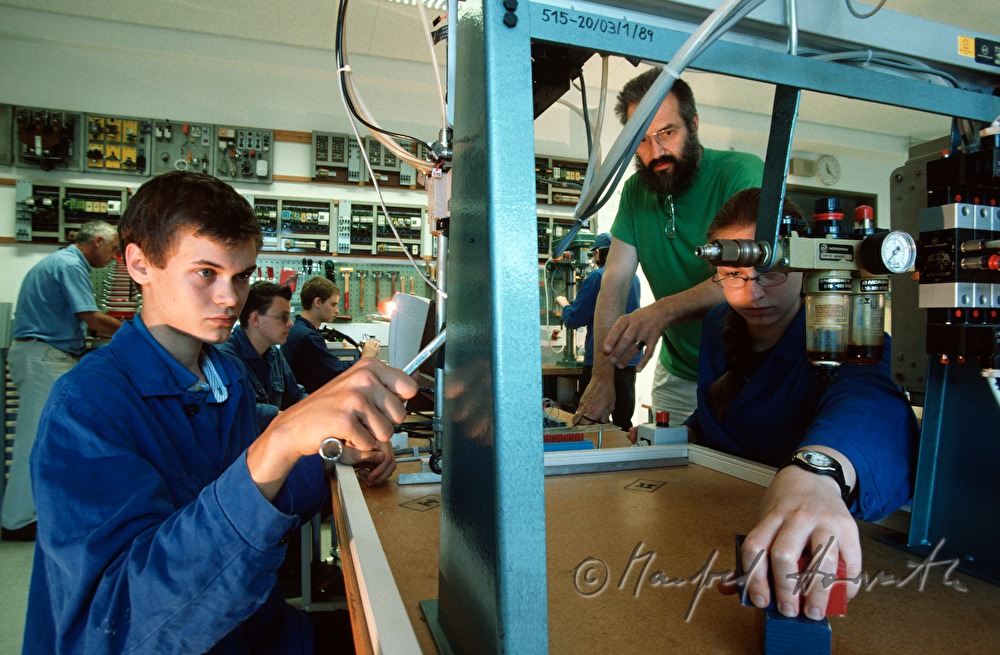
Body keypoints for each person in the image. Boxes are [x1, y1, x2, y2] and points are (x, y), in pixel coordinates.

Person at [24, 170, 417, 654]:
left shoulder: (223, 376)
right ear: (140, 264)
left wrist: (335, 455)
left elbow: (262, 498)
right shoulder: (86, 407)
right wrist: (279, 440)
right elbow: (121, 624)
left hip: (255, 627)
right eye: (206, 273)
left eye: (242, 275)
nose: (231, 298)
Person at [681, 188, 918, 620]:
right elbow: (726, 415)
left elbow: (871, 401)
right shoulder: (719, 324)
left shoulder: (847, 330)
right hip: (713, 513)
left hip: (799, 540)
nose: (752, 293)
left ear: (806, 260)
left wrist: (817, 474)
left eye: (771, 271)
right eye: (733, 274)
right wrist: (678, 436)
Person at [575, 70, 763, 428]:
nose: (656, 152)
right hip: (677, 374)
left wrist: (662, 311)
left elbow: (742, 275)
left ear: (692, 124)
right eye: (642, 141)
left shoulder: (740, 173)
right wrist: (603, 378)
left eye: (667, 133)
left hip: (747, 373)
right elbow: (612, 283)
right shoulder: (634, 192)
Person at [2, 221, 123, 542]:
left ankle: (34, 513)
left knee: (49, 441)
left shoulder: (61, 261)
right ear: (97, 241)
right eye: (112, 250)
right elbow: (92, 318)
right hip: (44, 358)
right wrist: (138, 333)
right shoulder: (70, 265)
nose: (113, 258)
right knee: (34, 441)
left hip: (46, 356)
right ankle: (15, 521)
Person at [555, 232, 641, 430]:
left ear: (600, 254)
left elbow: (575, 318)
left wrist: (564, 304)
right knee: (622, 422)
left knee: (591, 421)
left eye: (594, 254)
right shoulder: (634, 278)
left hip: (600, 360)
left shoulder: (596, 277)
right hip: (628, 359)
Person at [218, 281, 307, 432]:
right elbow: (246, 413)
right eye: (283, 317)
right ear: (255, 319)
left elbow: (294, 396)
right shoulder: (225, 358)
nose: (291, 323)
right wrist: (291, 420)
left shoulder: (274, 353)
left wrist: (317, 407)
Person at [283, 276, 380, 394]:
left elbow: (330, 367)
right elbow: (337, 374)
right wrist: (366, 358)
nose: (337, 310)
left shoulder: (299, 329)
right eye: (333, 304)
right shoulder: (307, 337)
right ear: (318, 302)